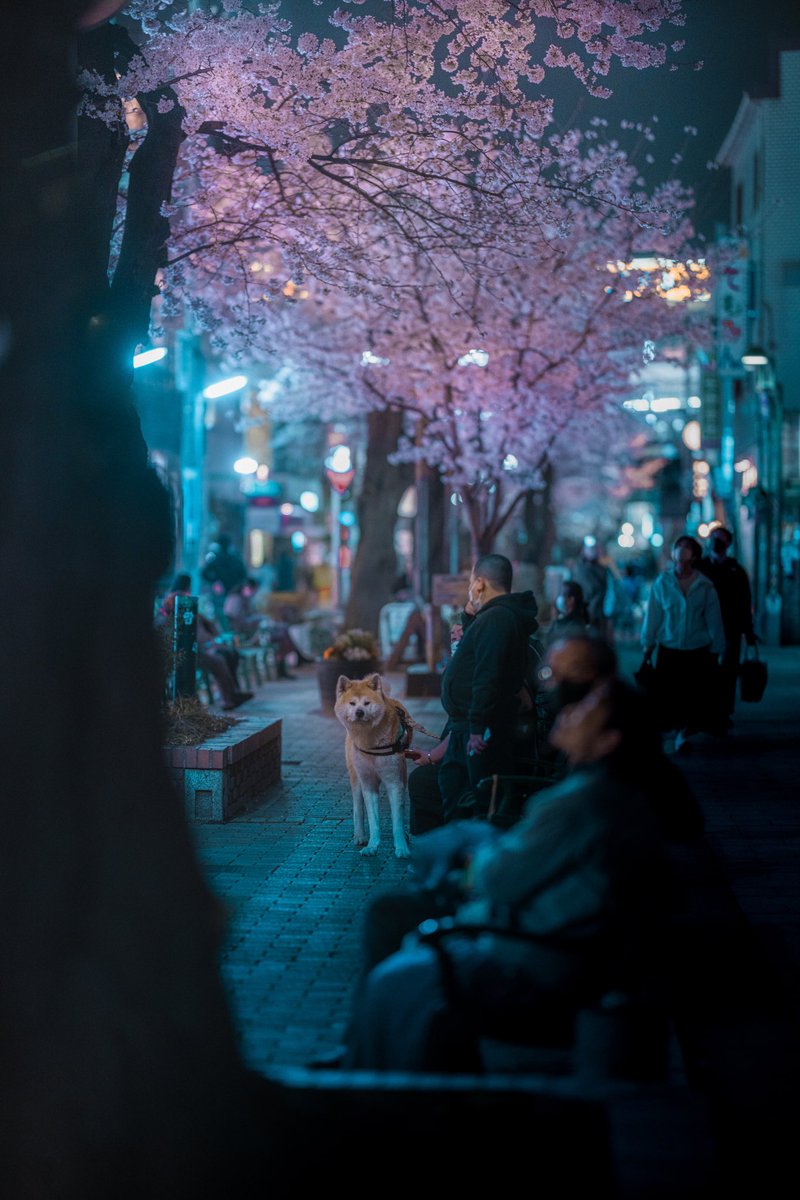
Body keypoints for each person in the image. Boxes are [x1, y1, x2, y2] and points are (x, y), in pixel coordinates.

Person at [341, 680, 671, 1072]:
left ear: (608, 741)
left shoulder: (577, 803)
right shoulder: (604, 794)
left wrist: (472, 856)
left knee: (393, 946)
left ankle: (367, 1066)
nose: (567, 713)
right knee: (393, 910)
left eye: (584, 712)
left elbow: (499, 880)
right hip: (545, 937)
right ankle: (367, 1056)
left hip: (528, 954)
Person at [437, 554, 539, 822]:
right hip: (467, 726)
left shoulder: (498, 619)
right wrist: (469, 616)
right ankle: (457, 856)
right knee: (455, 790)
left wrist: (477, 727)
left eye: (472, 581)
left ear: (480, 583)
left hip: (479, 730)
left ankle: (472, 858)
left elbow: (487, 674)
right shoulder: (491, 618)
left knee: (482, 800)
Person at [641, 535, 726, 750]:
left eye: (686, 547)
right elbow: (653, 615)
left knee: (692, 696)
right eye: (678, 546)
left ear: (694, 555)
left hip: (696, 649)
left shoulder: (705, 586)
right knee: (671, 696)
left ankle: (683, 733)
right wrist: (648, 643)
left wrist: (718, 647)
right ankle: (677, 733)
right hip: (670, 649)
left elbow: (713, 619)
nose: (681, 550)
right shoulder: (663, 582)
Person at [157, 574, 253, 712]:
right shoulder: (174, 605)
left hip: (198, 647)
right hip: (187, 651)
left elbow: (206, 627)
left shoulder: (186, 605)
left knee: (229, 654)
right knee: (219, 659)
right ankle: (227, 697)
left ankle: (231, 694)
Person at [697, 527, 757, 722]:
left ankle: (724, 711)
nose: (716, 542)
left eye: (720, 539)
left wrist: (749, 634)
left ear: (728, 544)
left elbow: (744, 602)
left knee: (729, 671)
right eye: (713, 538)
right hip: (704, 628)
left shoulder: (736, 570)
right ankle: (708, 710)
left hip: (730, 628)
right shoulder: (701, 568)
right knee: (706, 670)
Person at [546, 580, 589, 646]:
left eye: (562, 595)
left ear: (571, 600)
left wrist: (554, 618)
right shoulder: (563, 620)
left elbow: (551, 643)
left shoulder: (573, 627)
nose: (559, 598)